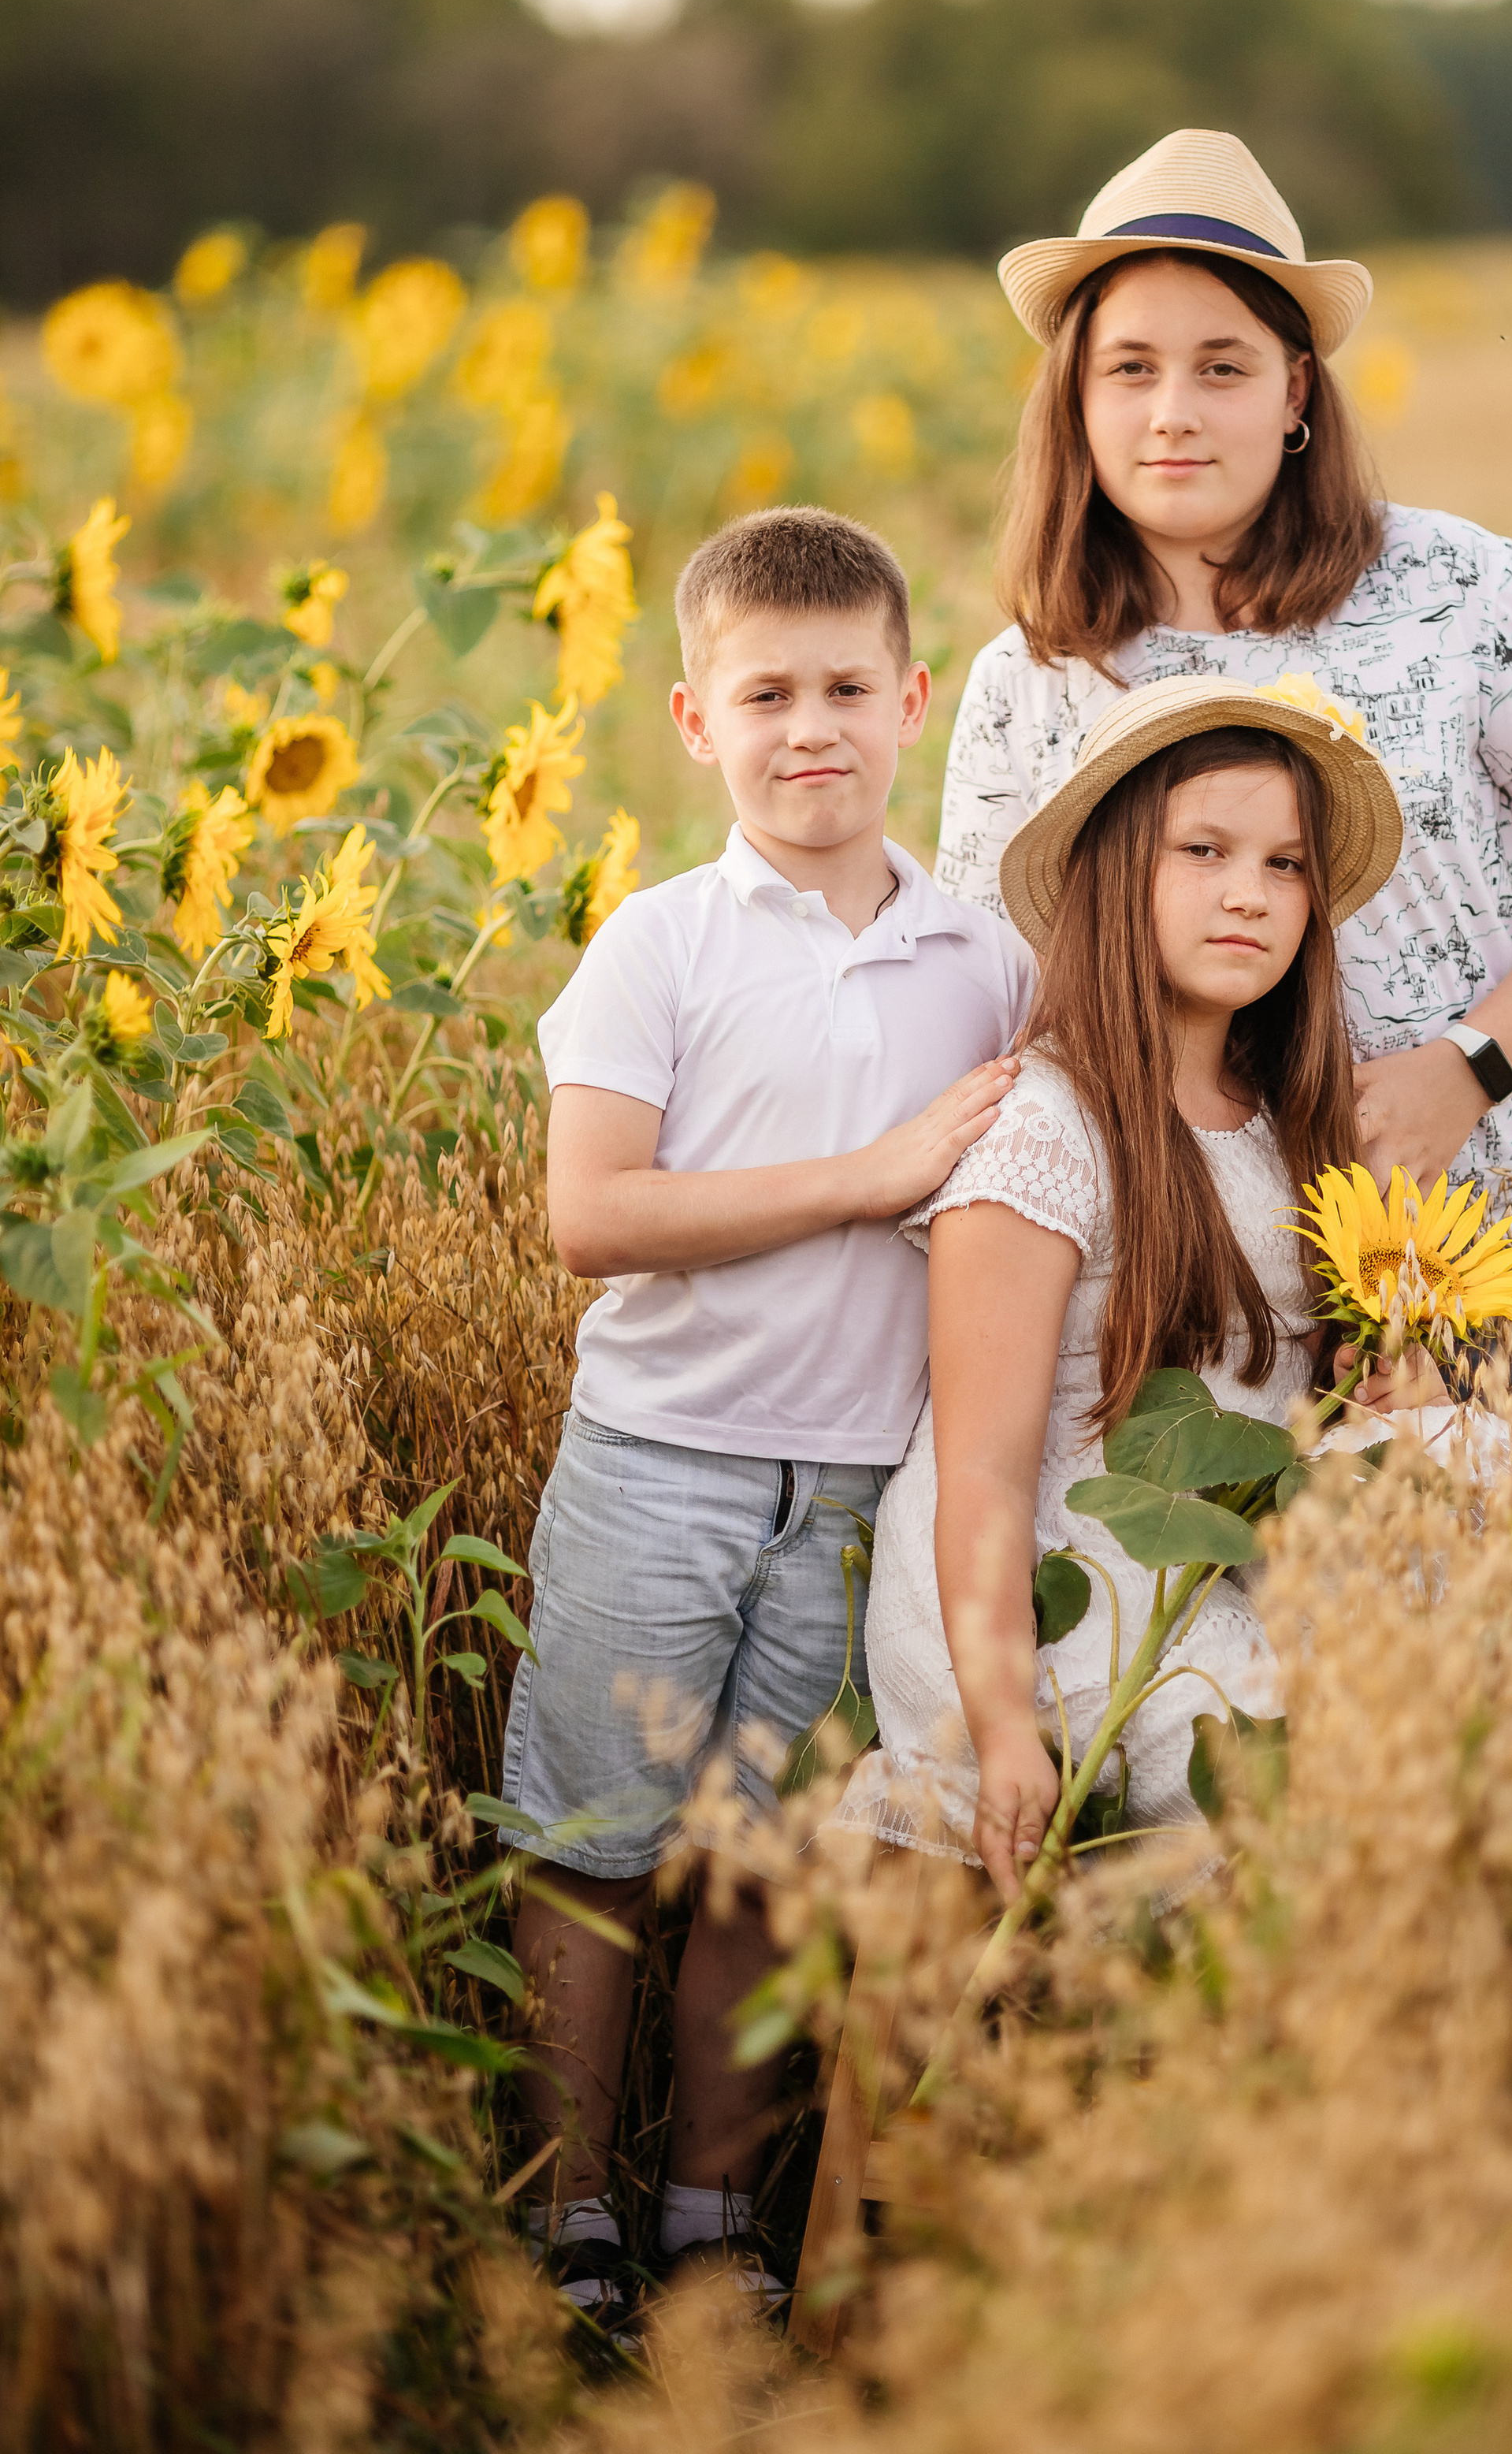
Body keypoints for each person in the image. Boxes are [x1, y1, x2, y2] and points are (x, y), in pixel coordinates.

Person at [499, 507, 1032, 2321]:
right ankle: (570, 2214)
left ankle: (709, 2217)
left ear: (915, 700)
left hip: (859, 1485)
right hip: (658, 1464)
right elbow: (593, 1217)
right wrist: (864, 1174)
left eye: (844, 690)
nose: (809, 729)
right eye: (764, 694)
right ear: (689, 717)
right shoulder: (657, 945)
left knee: (759, 1862)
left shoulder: (982, 959)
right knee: (593, 1852)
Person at [935, 129, 1512, 1288]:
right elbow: (1002, 1000)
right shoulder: (1032, 675)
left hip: (1496, 1236)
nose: (1172, 412)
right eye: (1130, 367)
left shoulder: (1460, 588)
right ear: (1076, 397)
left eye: (1223, 367)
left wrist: (1465, 1071)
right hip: (1202, 1288)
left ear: (1296, 391)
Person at [846, 676, 1512, 1903]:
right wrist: (1002, 1721)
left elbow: (1276, 1410)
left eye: (1285, 867)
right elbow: (986, 1467)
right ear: (1117, 874)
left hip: (1207, 1571)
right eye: (1203, 851)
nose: (1248, 896)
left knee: (1461, 1669)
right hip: (1040, 1586)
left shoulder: (1289, 1127)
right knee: (924, 2038)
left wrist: (1385, 1386)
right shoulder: (1046, 1128)